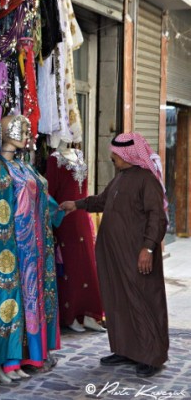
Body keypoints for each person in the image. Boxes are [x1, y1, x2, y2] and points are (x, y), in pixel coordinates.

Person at [59, 133, 168, 378]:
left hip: (137, 254)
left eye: (116, 154)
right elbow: (102, 201)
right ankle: (126, 350)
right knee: (118, 301)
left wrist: (148, 248)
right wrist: (76, 204)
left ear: (129, 155)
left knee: (143, 301)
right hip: (114, 255)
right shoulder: (121, 177)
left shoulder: (147, 180)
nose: (112, 157)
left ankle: (151, 356)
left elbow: (157, 217)